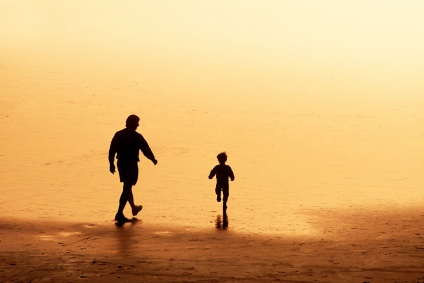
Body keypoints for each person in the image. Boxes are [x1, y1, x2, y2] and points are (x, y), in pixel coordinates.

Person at [109, 114, 157, 222]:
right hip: (131, 164)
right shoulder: (137, 136)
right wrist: (153, 159)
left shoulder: (119, 134)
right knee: (127, 187)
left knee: (127, 186)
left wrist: (111, 163)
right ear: (134, 124)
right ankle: (119, 213)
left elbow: (112, 149)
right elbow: (146, 149)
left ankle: (133, 208)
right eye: (137, 124)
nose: (138, 126)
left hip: (121, 163)